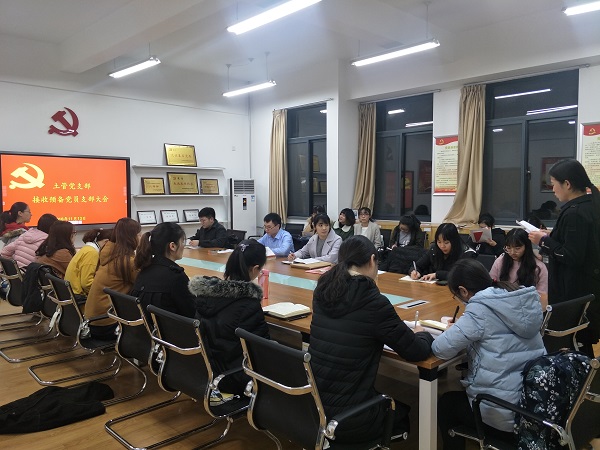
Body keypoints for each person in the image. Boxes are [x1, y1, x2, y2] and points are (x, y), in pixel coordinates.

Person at [309, 235, 433, 444]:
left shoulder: (322, 291)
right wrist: (422, 334)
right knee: (402, 413)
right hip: (349, 420)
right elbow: (416, 351)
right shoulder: (373, 301)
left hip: (312, 406)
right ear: (372, 260)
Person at [433, 259, 546, 450]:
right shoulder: (515, 298)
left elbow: (440, 349)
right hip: (534, 404)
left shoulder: (480, 309)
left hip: (504, 415)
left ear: (463, 291)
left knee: (447, 404)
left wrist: (451, 330)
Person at [528, 159, 600, 357]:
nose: (552, 189)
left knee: (572, 341)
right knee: (580, 341)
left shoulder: (574, 212)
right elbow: (579, 243)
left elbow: (571, 256)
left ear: (567, 184)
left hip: (573, 290)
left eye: (553, 183)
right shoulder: (590, 205)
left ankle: (579, 374)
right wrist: (552, 236)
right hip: (588, 287)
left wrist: (543, 241)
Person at [189, 239, 270, 396]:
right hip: (236, 378)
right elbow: (261, 351)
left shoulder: (206, 292)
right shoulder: (248, 305)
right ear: (255, 269)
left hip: (206, 369)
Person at [85, 218, 140, 340]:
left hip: (93, 320)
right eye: (138, 234)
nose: (140, 237)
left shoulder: (109, 254)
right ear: (132, 237)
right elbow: (144, 283)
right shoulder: (126, 262)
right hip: (107, 323)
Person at [131, 222, 197, 319]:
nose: (183, 245)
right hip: (173, 328)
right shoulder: (177, 277)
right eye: (182, 242)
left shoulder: (143, 270)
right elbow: (192, 313)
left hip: (147, 327)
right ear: (172, 246)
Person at [489, 228, 548, 303]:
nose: (512, 252)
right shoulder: (500, 261)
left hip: (527, 305)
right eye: (508, 248)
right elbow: (491, 285)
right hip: (502, 302)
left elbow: (542, 295)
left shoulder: (538, 267)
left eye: (517, 248)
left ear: (526, 247)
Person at [411, 223, 476, 281]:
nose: (442, 246)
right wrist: (415, 272)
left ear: (454, 241)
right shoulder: (434, 248)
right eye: (439, 242)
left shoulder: (467, 253)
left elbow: (461, 275)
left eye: (446, 242)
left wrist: (437, 275)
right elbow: (418, 266)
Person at [64, 228, 112, 299]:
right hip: (79, 296)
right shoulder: (92, 253)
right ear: (106, 242)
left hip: (71, 293)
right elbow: (86, 283)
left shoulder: (87, 249)